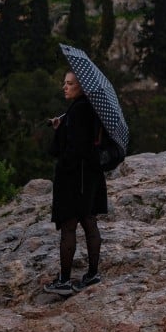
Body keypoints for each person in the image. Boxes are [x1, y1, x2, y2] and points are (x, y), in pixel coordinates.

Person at [43, 71, 107, 295]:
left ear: (81, 87)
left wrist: (61, 136)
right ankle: (92, 274)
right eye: (65, 83)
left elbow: (74, 147)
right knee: (89, 221)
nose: (64, 87)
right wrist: (62, 124)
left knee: (69, 226)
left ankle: (64, 281)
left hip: (75, 177)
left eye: (69, 84)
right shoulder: (89, 107)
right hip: (90, 174)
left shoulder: (79, 110)